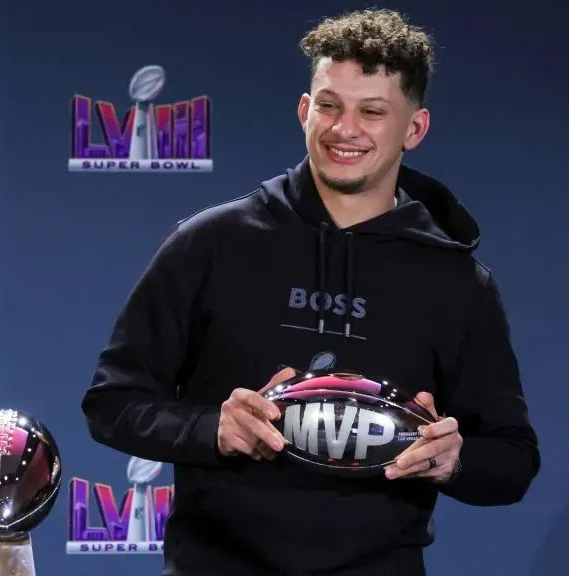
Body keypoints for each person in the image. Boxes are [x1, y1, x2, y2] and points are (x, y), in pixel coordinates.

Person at [81, 8, 540, 576]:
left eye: (372, 112)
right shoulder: (210, 244)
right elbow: (112, 403)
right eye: (328, 105)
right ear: (305, 110)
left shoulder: (456, 282)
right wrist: (211, 429)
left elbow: (513, 460)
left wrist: (454, 458)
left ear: (414, 128)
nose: (344, 129)